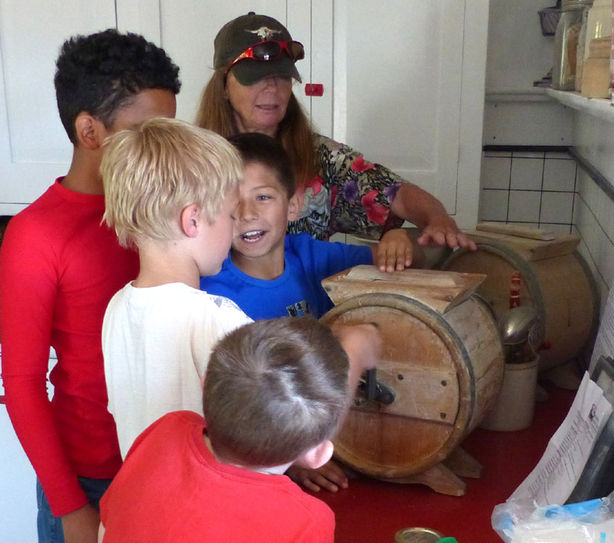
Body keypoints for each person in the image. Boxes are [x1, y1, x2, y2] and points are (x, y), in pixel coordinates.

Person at [0, 30, 180, 543]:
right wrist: (69, 506)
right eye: (147, 130)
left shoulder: (164, 212)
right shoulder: (35, 234)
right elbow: (24, 384)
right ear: (90, 130)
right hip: (88, 480)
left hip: (167, 462)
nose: (163, 148)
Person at [196, 11, 477, 250]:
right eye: (255, 78)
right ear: (223, 85)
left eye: (282, 76)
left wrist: (436, 220)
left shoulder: (322, 157)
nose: (272, 88)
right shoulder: (191, 161)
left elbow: (396, 193)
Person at [98, 316, 380, 543]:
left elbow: (106, 526)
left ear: (205, 382)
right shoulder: (305, 521)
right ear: (318, 455)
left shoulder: (167, 430)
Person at [100, 117, 252, 460]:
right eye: (230, 214)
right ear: (193, 220)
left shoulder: (117, 308)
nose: (236, 226)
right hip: (204, 510)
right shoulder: (215, 318)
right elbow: (275, 428)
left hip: (142, 502)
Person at [200, 131, 423, 320]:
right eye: (232, 201)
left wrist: (397, 238)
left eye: (263, 197)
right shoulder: (208, 294)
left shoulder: (310, 256)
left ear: (293, 206)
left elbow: (416, 258)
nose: (247, 214)